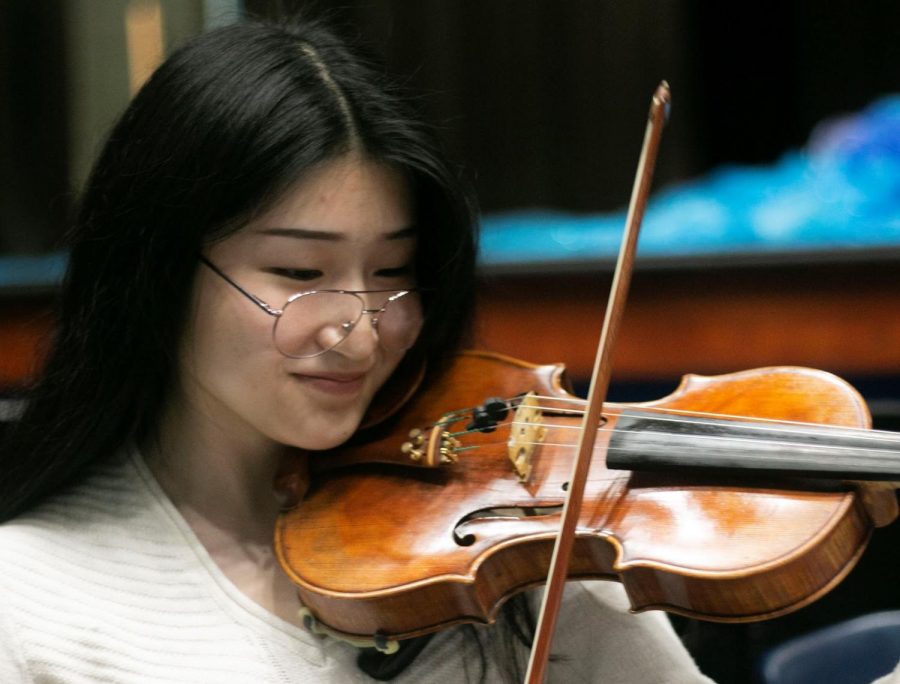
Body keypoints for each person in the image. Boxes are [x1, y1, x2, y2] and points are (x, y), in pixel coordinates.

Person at [0, 17, 715, 683]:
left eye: (393, 274)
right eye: (300, 274)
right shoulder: (30, 600)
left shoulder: (514, 548)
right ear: (157, 270)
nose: (363, 332)